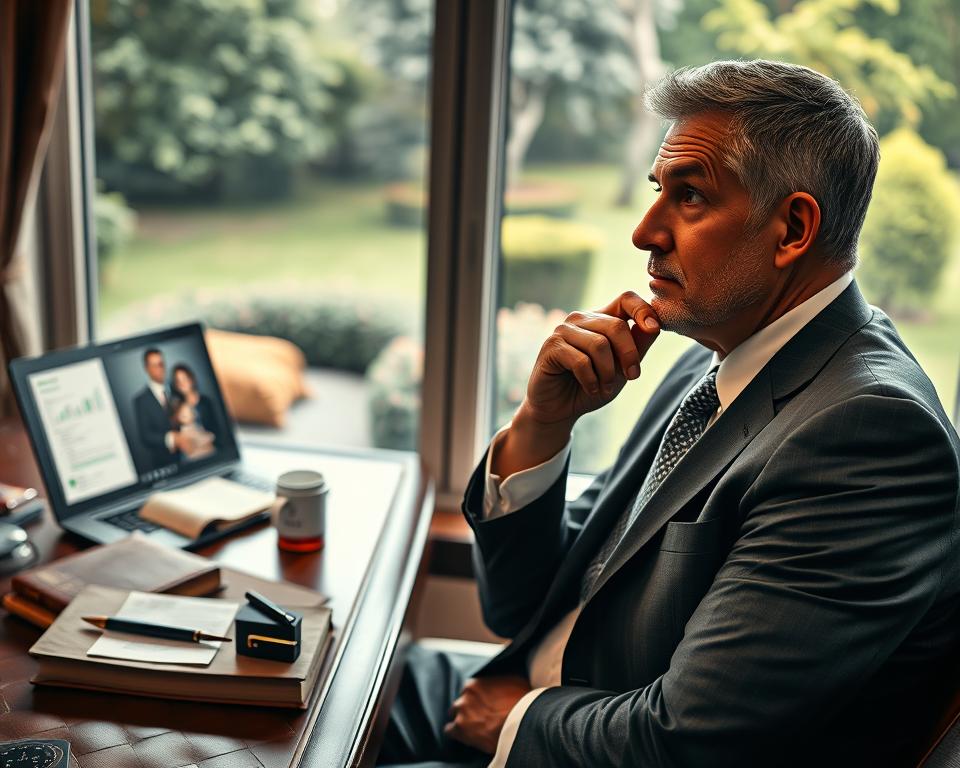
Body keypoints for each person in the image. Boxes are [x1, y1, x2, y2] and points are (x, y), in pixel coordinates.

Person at [378, 60, 960, 768]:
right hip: (531, 698)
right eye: (658, 189)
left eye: (688, 196)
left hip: (558, 739)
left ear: (793, 228)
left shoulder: (869, 437)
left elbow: (690, 742)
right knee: (313, 677)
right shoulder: (709, 354)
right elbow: (522, 607)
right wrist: (542, 425)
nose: (643, 231)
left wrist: (515, 723)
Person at [132, 348, 181, 469]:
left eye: (161, 364)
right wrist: (172, 439)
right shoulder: (141, 400)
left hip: (189, 458)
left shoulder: (178, 389)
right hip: (164, 464)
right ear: (147, 368)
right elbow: (145, 436)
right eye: (154, 365)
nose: (159, 369)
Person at [170, 362, 220, 452]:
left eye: (184, 379)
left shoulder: (206, 402)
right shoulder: (177, 406)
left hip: (209, 447)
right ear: (176, 385)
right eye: (178, 381)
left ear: (191, 379)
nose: (182, 384)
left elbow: (217, 430)